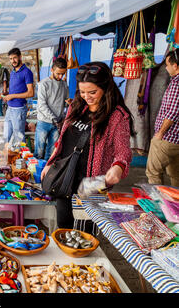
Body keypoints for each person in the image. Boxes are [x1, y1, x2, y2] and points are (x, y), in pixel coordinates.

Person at [41, 62, 134, 229]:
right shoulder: (76, 107)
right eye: (82, 92)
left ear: (106, 88)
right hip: (64, 180)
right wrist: (50, 163)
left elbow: (123, 152)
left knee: (84, 234)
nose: (86, 96)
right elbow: (62, 140)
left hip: (90, 187)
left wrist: (118, 167)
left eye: (92, 92)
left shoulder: (117, 116)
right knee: (63, 228)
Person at [146, 49, 179, 187]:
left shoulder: (177, 84)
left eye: (167, 65)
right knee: (176, 175)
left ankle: (158, 205)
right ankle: (175, 206)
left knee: (153, 172)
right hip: (176, 140)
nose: (166, 68)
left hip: (168, 138)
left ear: (175, 66)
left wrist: (160, 133)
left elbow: (173, 112)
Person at [34, 58, 69, 160]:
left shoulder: (64, 85)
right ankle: (36, 174)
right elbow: (42, 105)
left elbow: (66, 102)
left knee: (51, 153)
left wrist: (63, 116)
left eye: (63, 74)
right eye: (58, 73)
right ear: (52, 70)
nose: (60, 76)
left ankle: (46, 174)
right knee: (39, 152)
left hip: (57, 124)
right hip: (44, 122)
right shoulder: (43, 84)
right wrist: (54, 118)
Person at [2, 48, 34, 143]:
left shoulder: (27, 72)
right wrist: (6, 95)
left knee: (18, 138)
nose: (13, 61)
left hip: (19, 109)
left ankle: (21, 157)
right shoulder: (12, 72)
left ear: (20, 57)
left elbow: (31, 93)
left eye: (15, 58)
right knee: (6, 136)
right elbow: (14, 91)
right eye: (11, 59)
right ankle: (6, 156)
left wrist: (12, 96)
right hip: (10, 108)